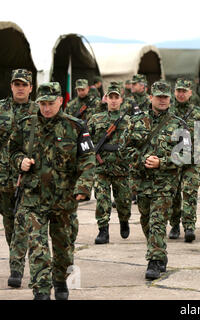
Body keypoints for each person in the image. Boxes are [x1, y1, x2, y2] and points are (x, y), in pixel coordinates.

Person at [9, 82, 95, 300]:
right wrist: (20, 161)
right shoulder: (25, 125)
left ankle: (60, 280)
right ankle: (41, 291)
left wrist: (83, 187)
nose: (46, 108)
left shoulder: (76, 127)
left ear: (60, 101)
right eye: (42, 104)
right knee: (37, 248)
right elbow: (13, 151)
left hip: (63, 199)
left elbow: (87, 160)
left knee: (64, 248)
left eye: (50, 103)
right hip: (33, 199)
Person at [119, 80, 186, 280]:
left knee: (158, 220)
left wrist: (162, 162)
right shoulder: (135, 121)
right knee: (146, 219)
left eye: (166, 97)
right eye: (159, 97)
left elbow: (187, 154)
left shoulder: (178, 124)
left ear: (170, 98)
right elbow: (123, 148)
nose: (162, 100)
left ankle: (154, 261)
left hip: (165, 183)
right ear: (151, 98)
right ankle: (159, 252)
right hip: (141, 182)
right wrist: (142, 159)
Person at [0, 69, 39, 289]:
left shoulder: (38, 111)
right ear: (11, 86)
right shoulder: (1, 108)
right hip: (3, 177)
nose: (20, 87)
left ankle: (16, 268)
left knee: (23, 223)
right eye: (17, 84)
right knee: (10, 223)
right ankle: (17, 258)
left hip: (27, 177)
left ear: (31, 87)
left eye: (24, 84)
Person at [87, 82, 131, 244]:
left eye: (116, 97)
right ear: (105, 99)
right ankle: (103, 230)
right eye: (110, 97)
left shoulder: (128, 121)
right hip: (101, 168)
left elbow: (134, 142)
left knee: (124, 201)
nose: (113, 100)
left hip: (122, 168)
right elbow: (86, 140)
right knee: (102, 200)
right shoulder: (95, 119)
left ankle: (124, 220)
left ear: (121, 100)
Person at [168, 78, 200, 242]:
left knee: (190, 193)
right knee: (174, 194)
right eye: (178, 91)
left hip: (192, 161)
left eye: (184, 91)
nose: (181, 94)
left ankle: (189, 226)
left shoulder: (198, 113)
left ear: (190, 93)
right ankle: (175, 224)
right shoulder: (168, 112)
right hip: (172, 161)